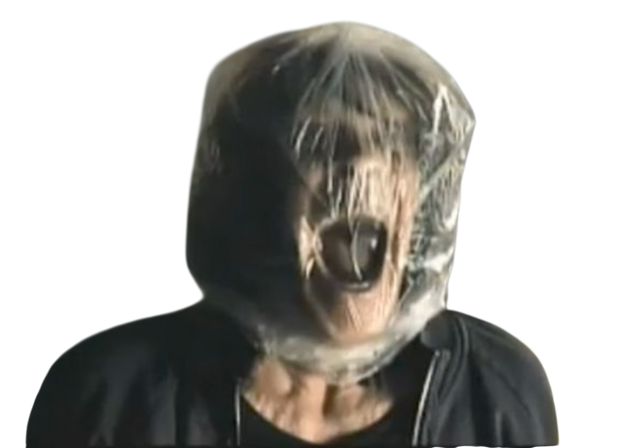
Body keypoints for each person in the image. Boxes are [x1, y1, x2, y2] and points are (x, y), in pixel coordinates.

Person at [24, 19, 561, 447]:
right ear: (252, 189)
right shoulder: (110, 398)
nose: (363, 165)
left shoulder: (495, 392)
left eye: (393, 143)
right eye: (323, 142)